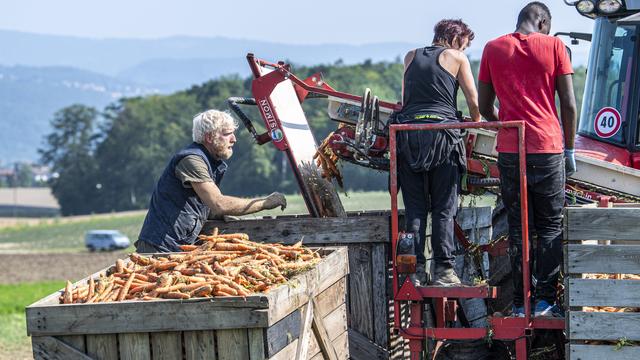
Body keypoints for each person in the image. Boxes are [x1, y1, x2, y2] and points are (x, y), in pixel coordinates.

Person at [478, 2, 577, 317]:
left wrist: (506, 123)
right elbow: (570, 106)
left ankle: (521, 305)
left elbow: (483, 106)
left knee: (519, 228)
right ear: (544, 22)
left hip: (510, 150)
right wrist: (570, 150)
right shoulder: (554, 46)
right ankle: (545, 302)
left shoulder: (492, 48)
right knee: (549, 225)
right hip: (547, 147)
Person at [398, 19, 481, 286]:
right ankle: (445, 271)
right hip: (444, 139)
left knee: (415, 209)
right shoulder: (456, 57)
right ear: (457, 39)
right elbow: (473, 100)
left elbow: (405, 100)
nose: (464, 49)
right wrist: (477, 126)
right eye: (465, 44)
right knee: (445, 208)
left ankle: (416, 272)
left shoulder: (410, 56)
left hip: (408, 138)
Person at [136, 109, 287, 253]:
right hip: (159, 248)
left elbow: (198, 206)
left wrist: (217, 216)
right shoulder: (192, 160)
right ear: (209, 137)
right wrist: (265, 203)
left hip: (175, 246)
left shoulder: (209, 161)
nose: (234, 139)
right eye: (227, 134)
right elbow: (219, 204)